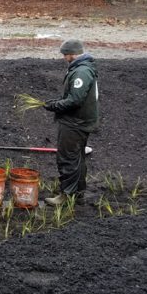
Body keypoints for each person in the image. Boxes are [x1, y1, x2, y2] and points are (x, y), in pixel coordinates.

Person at [43, 39, 99, 205]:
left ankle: (66, 196)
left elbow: (75, 100)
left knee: (67, 158)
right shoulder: (84, 68)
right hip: (81, 121)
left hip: (75, 122)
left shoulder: (81, 72)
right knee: (77, 158)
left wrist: (55, 106)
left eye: (64, 54)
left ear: (71, 54)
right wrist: (58, 101)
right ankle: (78, 193)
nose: (63, 57)